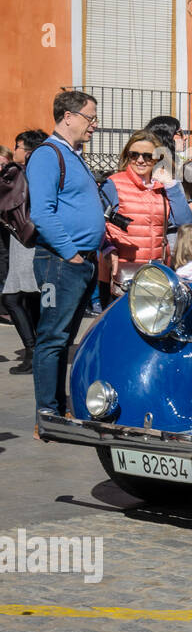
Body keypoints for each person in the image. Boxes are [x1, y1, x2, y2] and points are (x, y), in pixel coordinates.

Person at [28, 91, 105, 420]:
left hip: (81, 261)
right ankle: (48, 415)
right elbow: (42, 214)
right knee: (52, 339)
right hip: (61, 263)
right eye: (90, 118)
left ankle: (58, 409)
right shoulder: (48, 155)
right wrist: (72, 254)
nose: (95, 125)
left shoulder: (73, 155)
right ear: (68, 116)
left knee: (64, 338)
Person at [98, 130, 192, 304]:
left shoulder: (163, 187)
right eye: (134, 155)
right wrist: (107, 249)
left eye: (147, 156)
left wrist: (171, 184)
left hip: (155, 273)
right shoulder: (113, 184)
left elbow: (184, 221)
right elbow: (96, 224)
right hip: (119, 275)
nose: (140, 160)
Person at [2, 130, 48, 375]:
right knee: (27, 298)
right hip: (28, 239)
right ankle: (36, 351)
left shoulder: (17, 172)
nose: (15, 150)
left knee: (14, 298)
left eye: (17, 146)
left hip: (24, 241)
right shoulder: (39, 173)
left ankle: (33, 352)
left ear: (28, 151)